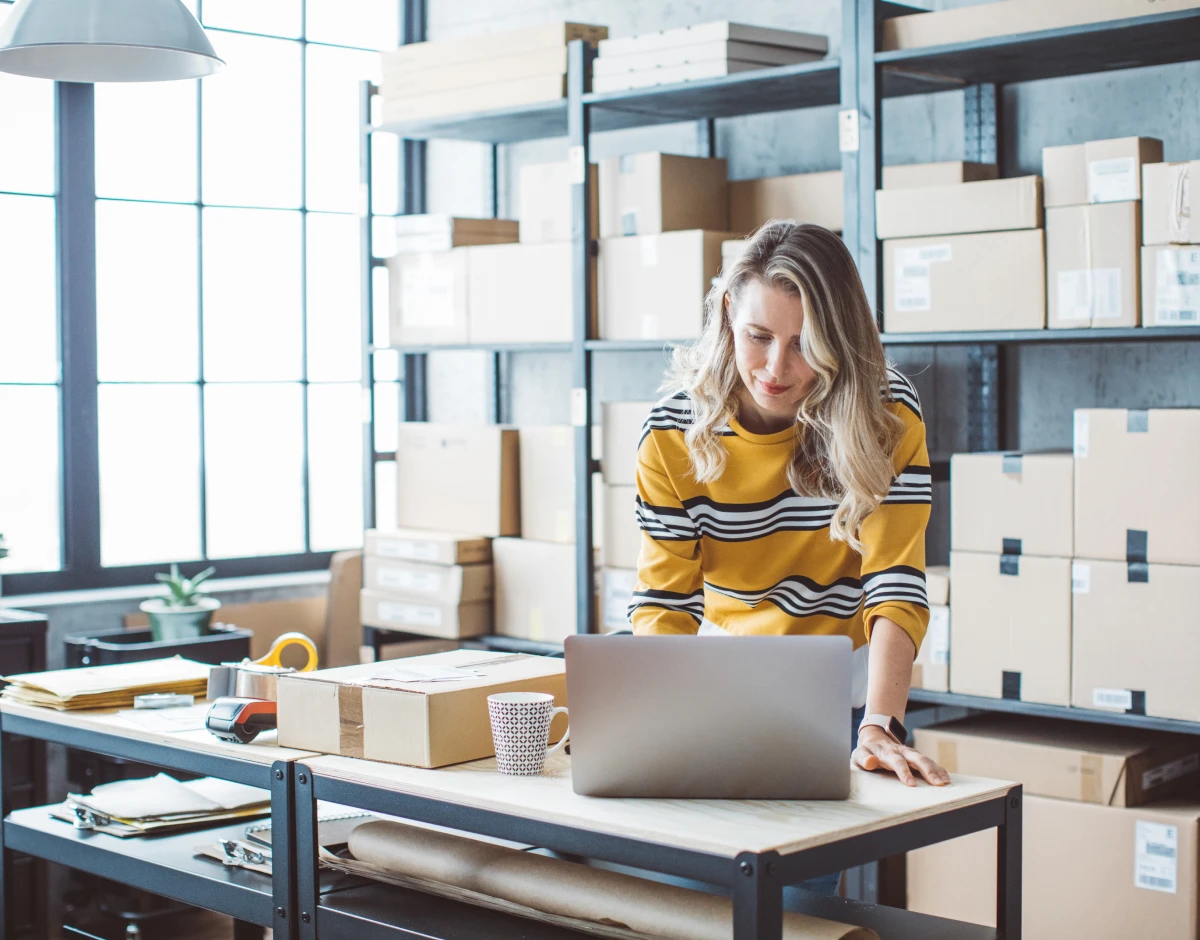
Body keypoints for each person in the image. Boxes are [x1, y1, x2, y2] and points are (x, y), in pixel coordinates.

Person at [629, 219, 950, 805]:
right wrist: (646, 713)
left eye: (805, 344)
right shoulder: (672, 434)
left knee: (797, 880)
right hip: (718, 677)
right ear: (727, 312)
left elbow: (895, 582)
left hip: (846, 694)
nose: (776, 369)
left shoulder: (886, 416)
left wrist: (882, 724)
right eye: (758, 335)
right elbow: (664, 604)